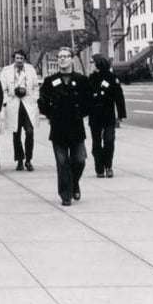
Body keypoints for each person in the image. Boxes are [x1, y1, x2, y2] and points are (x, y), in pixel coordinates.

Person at [37, 47, 93, 206]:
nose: (62, 59)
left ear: (72, 59)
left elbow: (89, 100)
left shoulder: (81, 80)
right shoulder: (50, 81)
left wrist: (81, 112)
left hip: (76, 127)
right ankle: (66, 194)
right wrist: (51, 114)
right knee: (62, 163)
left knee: (79, 160)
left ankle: (74, 182)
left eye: (66, 56)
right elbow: (42, 102)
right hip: (58, 128)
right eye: (60, 56)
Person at [0, 49, 39, 171]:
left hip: (28, 103)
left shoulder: (30, 69)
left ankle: (28, 159)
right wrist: (6, 101)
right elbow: (3, 89)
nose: (19, 61)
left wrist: (34, 97)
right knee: (16, 134)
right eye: (17, 58)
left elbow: (36, 87)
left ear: (24, 59)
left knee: (30, 132)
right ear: (14, 59)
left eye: (21, 58)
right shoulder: (6, 71)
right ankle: (20, 160)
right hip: (14, 103)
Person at [88, 54, 127, 178]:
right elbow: (85, 98)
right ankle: (99, 167)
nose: (90, 65)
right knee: (96, 143)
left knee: (109, 140)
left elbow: (118, 96)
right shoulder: (90, 79)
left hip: (108, 115)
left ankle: (108, 165)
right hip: (94, 115)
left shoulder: (111, 78)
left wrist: (120, 115)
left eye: (92, 62)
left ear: (98, 63)